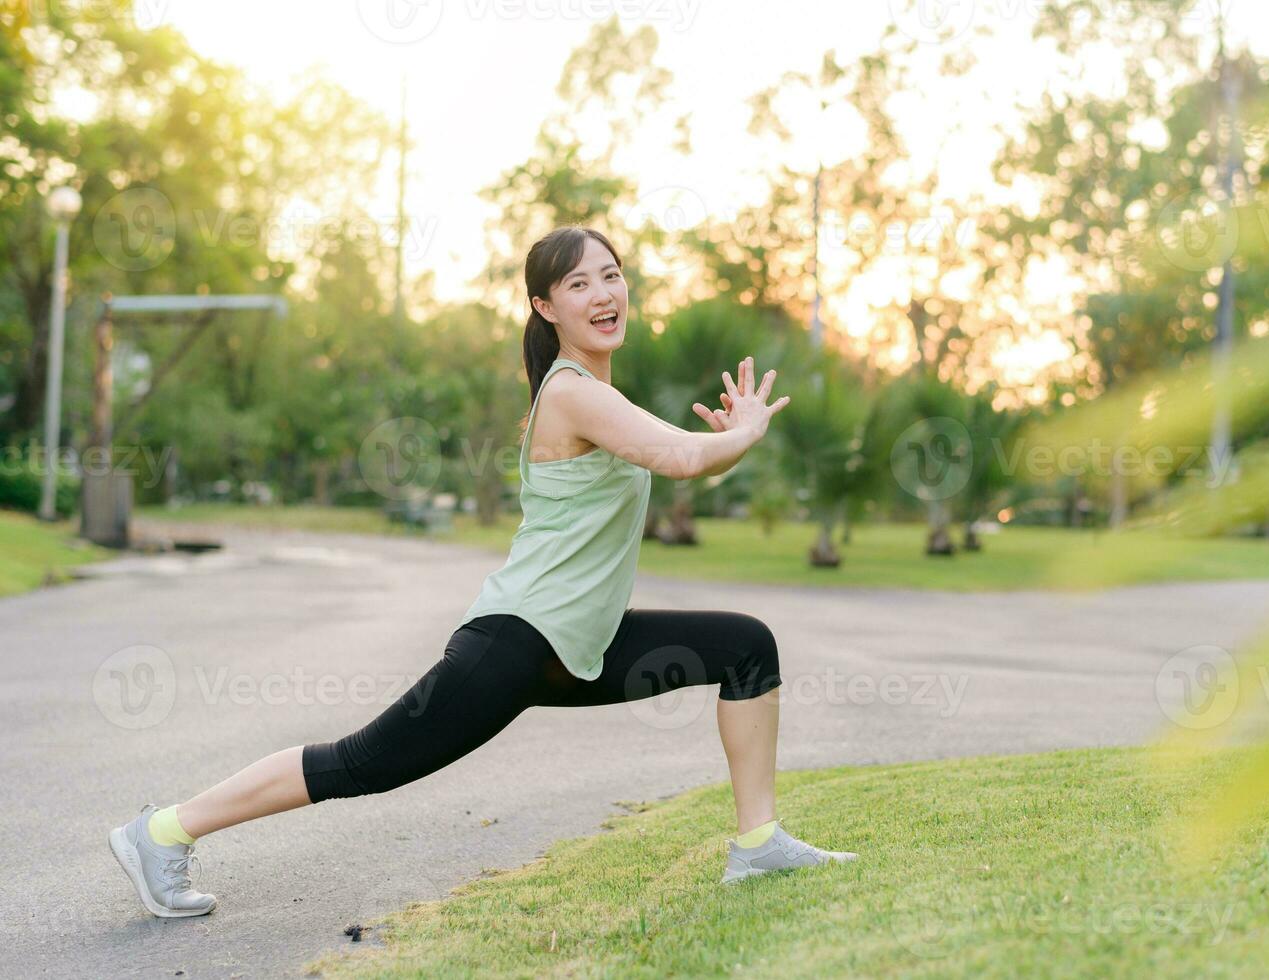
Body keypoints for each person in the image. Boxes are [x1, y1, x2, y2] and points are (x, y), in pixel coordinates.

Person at [109, 225, 857, 919]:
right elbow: (682, 457)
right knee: (360, 764)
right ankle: (164, 829)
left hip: (573, 647)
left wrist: (723, 442)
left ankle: (758, 847)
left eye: (611, 276)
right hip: (517, 642)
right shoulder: (571, 393)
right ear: (544, 305)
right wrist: (747, 431)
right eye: (577, 285)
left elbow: (683, 455)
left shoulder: (594, 394)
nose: (603, 294)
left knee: (744, 647)